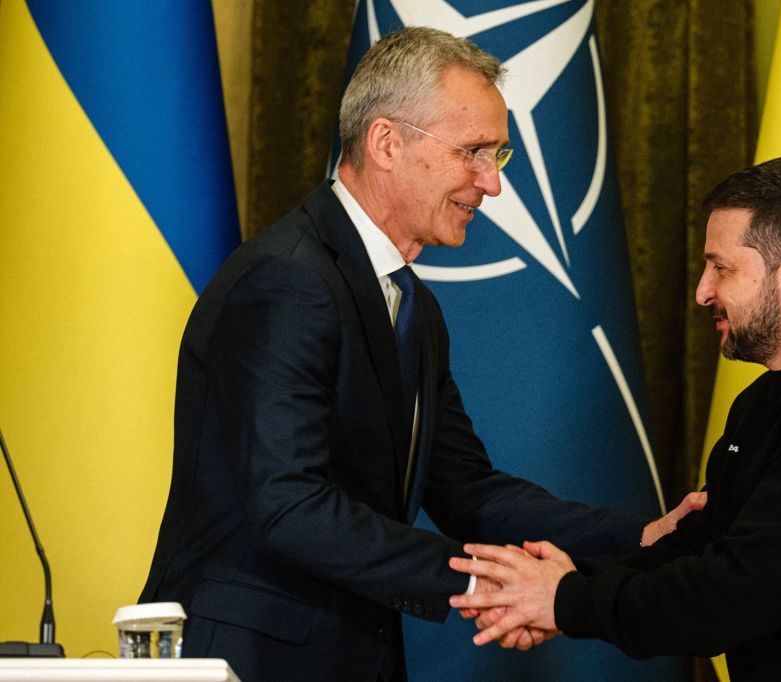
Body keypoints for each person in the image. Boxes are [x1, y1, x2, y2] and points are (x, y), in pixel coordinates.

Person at [139, 26, 695, 682]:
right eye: (473, 152)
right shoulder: (288, 281)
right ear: (386, 143)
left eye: (498, 155)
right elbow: (289, 503)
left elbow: (468, 492)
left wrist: (637, 539)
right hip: (250, 657)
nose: (491, 184)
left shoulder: (409, 305)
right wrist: (484, 585)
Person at [450, 156, 781, 681]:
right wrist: (562, 585)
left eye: (722, 267)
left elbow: (732, 595)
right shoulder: (766, 400)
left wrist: (565, 600)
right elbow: (702, 549)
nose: (703, 291)